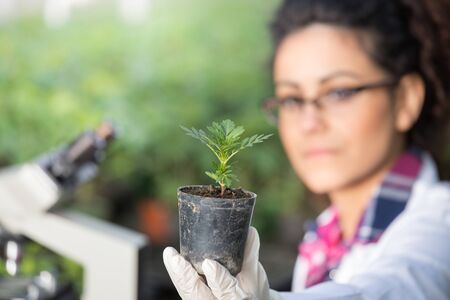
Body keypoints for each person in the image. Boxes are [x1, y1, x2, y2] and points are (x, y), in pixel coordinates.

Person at [162, 0, 450, 299]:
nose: (309, 123)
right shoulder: (325, 237)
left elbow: (393, 287)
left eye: (339, 92)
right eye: (291, 99)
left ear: (405, 100)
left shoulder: (439, 228)